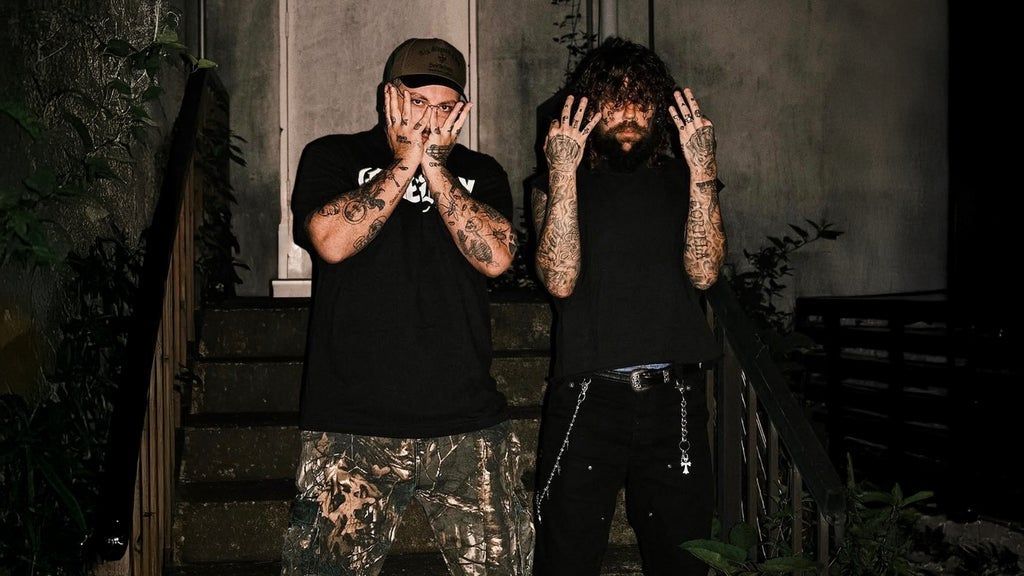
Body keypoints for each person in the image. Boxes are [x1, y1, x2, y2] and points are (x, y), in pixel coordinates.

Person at [281, 37, 533, 576]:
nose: (429, 119)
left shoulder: (481, 171)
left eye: (445, 107)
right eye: (417, 102)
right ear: (389, 97)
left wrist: (435, 167)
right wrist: (403, 163)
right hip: (351, 425)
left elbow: (496, 258)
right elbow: (330, 242)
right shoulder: (333, 155)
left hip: (465, 422)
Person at [531, 37, 726, 575]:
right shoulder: (560, 179)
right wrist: (562, 172)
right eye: (614, 101)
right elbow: (559, 278)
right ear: (591, 108)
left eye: (641, 101)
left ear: (658, 109)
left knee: (684, 557)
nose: (629, 115)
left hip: (674, 398)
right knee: (566, 557)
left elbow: (706, 272)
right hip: (587, 396)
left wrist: (704, 168)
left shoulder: (684, 178)